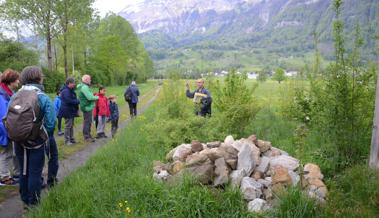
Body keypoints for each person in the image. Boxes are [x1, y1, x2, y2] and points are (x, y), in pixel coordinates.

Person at [8, 66, 55, 206]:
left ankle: (24, 199)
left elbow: (9, 117)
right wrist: (44, 136)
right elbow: (51, 122)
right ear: (39, 78)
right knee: (35, 171)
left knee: (23, 171)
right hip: (37, 142)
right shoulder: (42, 97)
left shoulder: (15, 96)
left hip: (19, 140)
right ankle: (33, 204)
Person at [0, 69, 20, 185]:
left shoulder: (8, 93)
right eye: (16, 79)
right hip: (4, 129)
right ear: (10, 81)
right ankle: (4, 178)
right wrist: (6, 134)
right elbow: (3, 116)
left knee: (11, 152)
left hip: (9, 128)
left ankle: (14, 174)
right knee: (6, 152)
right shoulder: (2, 95)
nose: (18, 81)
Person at [59, 78, 80, 145]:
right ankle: (67, 141)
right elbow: (69, 100)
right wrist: (77, 101)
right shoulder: (65, 91)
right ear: (69, 83)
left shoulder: (70, 90)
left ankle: (71, 139)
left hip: (71, 110)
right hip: (67, 111)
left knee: (71, 125)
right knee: (68, 126)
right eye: (73, 83)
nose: (74, 84)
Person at [78, 75, 99, 142]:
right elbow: (89, 98)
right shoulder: (84, 87)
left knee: (88, 121)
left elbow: (88, 95)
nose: (90, 81)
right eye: (90, 79)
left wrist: (93, 95)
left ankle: (88, 135)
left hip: (86, 106)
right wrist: (98, 97)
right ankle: (87, 137)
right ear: (86, 80)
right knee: (87, 122)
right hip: (86, 107)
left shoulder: (83, 86)